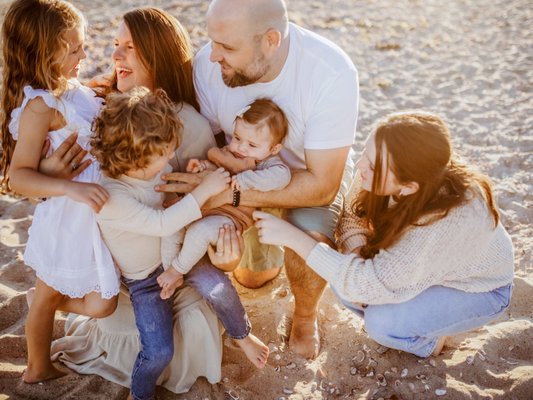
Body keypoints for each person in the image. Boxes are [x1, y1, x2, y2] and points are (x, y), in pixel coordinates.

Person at [48, 8, 244, 393]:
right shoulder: (101, 110)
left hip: (173, 264)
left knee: (184, 329)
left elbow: (222, 206)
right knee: (124, 330)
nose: (116, 56)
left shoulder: (189, 124)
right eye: (116, 46)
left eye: (130, 48)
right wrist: (53, 174)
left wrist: (217, 215)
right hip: (121, 271)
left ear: (157, 55)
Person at [159, 0, 359, 359]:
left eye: (228, 47)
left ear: (270, 40)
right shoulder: (209, 64)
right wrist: (211, 180)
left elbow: (324, 184)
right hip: (241, 177)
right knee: (253, 279)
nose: (213, 56)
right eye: (212, 41)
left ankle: (304, 316)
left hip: (304, 180)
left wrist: (227, 199)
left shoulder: (330, 72)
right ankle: (264, 264)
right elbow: (215, 140)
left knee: (308, 241)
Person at [253, 112, 514, 358]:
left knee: (381, 324)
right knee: (343, 277)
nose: (359, 165)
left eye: (373, 165)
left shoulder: (450, 218)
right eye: (365, 153)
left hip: (475, 287)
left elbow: (365, 284)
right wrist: (357, 255)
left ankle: (430, 343)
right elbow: (352, 219)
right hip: (418, 265)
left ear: (410, 187)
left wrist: (293, 237)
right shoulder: (390, 165)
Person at [0, 0, 121, 383]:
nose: (85, 54)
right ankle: (37, 367)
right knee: (95, 303)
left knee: (99, 301)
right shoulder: (40, 105)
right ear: (44, 52)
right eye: (74, 49)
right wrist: (69, 187)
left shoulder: (72, 90)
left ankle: (44, 302)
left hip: (91, 217)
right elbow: (18, 176)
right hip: (66, 220)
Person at [90, 87, 231, 400]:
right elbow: (162, 223)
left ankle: (242, 335)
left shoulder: (151, 167)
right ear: (136, 157)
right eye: (165, 152)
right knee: (158, 352)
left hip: (172, 258)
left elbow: (168, 193)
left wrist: (190, 177)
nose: (171, 157)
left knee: (216, 285)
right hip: (143, 283)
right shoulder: (112, 197)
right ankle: (141, 394)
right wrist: (205, 189)